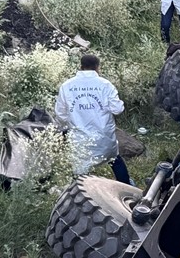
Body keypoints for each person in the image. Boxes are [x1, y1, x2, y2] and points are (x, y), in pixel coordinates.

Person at [55, 54, 130, 183]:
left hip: (79, 139)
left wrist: (69, 126)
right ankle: (127, 185)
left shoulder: (67, 86)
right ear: (97, 67)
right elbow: (117, 109)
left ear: (81, 66)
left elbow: (60, 114)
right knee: (114, 160)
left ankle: (79, 191)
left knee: (79, 172)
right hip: (104, 137)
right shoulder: (105, 85)